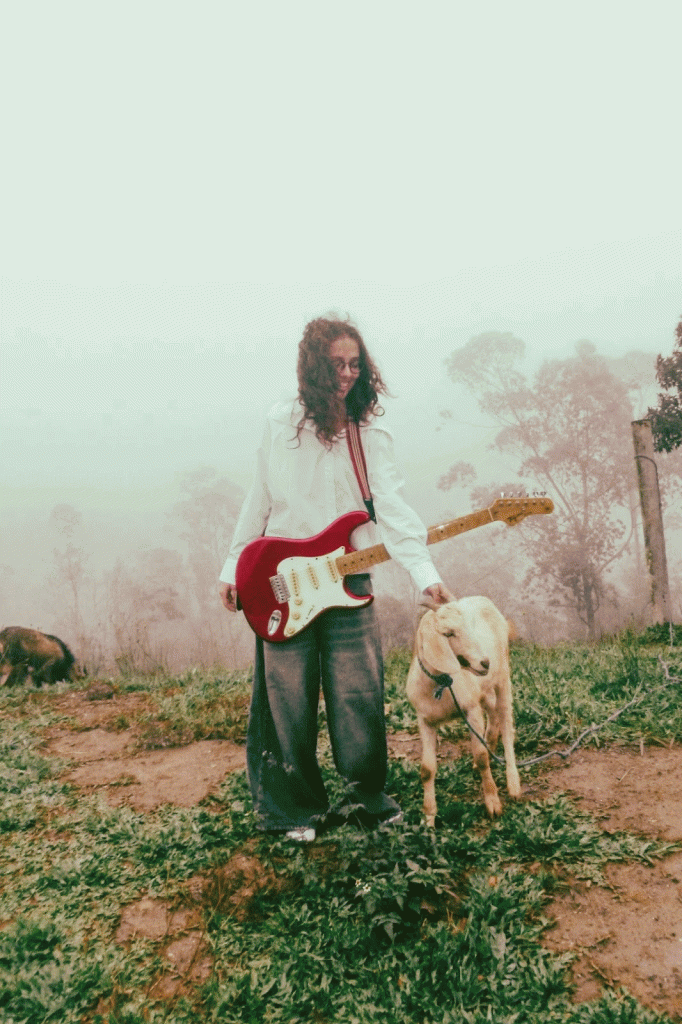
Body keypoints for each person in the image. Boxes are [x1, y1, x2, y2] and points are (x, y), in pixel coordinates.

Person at [219, 316, 453, 841]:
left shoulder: (369, 433)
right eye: (336, 365)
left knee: (358, 695)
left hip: (350, 580)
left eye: (355, 365)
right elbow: (260, 496)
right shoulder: (281, 423)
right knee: (287, 702)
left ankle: (365, 801)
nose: (347, 374)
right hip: (280, 578)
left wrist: (425, 575)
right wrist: (233, 566)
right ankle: (292, 810)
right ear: (313, 368)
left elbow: (392, 509)